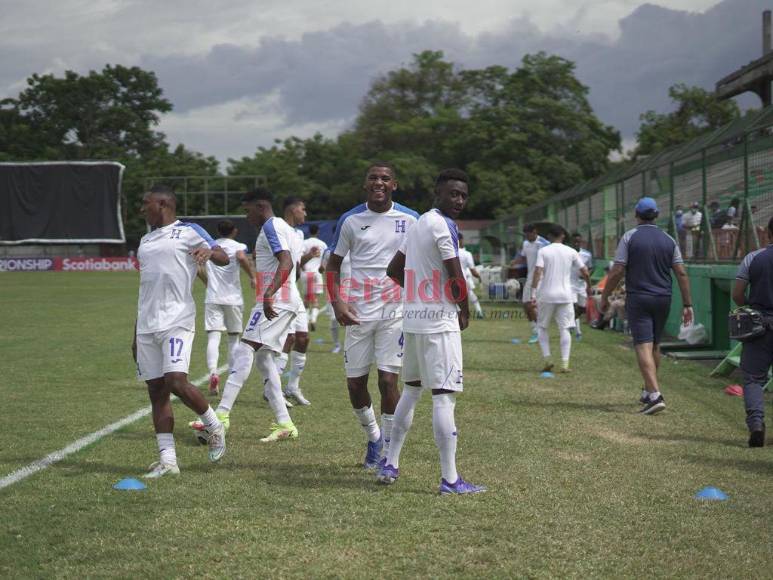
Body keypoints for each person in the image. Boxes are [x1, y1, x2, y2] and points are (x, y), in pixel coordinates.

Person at [380, 168, 485, 495]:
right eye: (453, 194)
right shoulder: (444, 225)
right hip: (439, 323)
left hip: (413, 320)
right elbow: (456, 276)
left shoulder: (418, 223)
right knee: (443, 396)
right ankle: (450, 479)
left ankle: (390, 462)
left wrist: (417, 294)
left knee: (411, 390)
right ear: (437, 193)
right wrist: (463, 311)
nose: (459, 201)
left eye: (464, 196)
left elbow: (393, 269)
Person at [325, 162, 419, 469]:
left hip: (395, 312)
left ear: (395, 184)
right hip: (357, 312)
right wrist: (337, 303)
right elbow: (333, 266)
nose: (379, 182)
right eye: (373, 178)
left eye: (385, 178)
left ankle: (389, 452)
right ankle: (374, 436)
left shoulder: (411, 219)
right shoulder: (351, 220)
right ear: (366, 184)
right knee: (355, 384)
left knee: (388, 380)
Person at [132, 185, 228, 478]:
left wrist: (209, 251)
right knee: (156, 392)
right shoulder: (145, 240)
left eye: (145, 203)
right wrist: (135, 333)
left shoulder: (188, 231)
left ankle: (214, 426)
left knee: (176, 380)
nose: (141, 209)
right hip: (147, 325)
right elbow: (145, 290)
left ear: (162, 204)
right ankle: (168, 460)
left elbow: (224, 256)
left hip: (178, 320)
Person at [191, 188, 302, 442]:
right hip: (285, 298)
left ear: (260, 206)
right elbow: (291, 266)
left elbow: (286, 262)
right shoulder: (283, 227)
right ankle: (285, 423)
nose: (246, 215)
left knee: (244, 349)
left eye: (247, 209)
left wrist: (270, 294)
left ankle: (221, 414)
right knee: (264, 360)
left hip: (277, 299)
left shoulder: (272, 227)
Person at [601, 197, 693, 415]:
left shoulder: (630, 237)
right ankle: (647, 390)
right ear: (657, 215)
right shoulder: (669, 239)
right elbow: (680, 272)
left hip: (639, 297)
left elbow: (617, 271)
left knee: (642, 345)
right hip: (663, 298)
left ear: (636, 214)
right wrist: (688, 303)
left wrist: (605, 296)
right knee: (655, 345)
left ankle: (655, 396)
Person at [197, 219, 255, 395]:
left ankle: (213, 372)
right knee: (233, 338)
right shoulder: (238, 245)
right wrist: (252, 276)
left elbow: (199, 269)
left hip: (213, 297)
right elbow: (241, 256)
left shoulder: (210, 247)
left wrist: (209, 284)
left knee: (213, 337)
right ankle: (231, 376)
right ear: (234, 231)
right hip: (233, 298)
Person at [732, 216, 773, 447]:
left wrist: (750, 307)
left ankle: (756, 424)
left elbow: (737, 294)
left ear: (768, 234)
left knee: (753, 379)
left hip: (760, 326)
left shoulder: (753, 258)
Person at [530, 225, 590, 374]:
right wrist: (589, 285)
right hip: (565, 295)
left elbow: (538, 271)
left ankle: (548, 359)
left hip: (546, 295)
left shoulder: (543, 251)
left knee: (542, 327)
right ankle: (565, 363)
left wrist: (532, 293)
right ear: (563, 236)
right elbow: (585, 271)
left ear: (549, 236)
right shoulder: (571, 251)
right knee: (565, 329)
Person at [276, 197, 312, 406]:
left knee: (303, 338)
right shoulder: (279, 229)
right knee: (287, 339)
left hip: (294, 291)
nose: (305, 214)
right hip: (281, 292)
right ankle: (273, 389)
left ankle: (292, 387)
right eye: (303, 209)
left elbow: (296, 268)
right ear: (293, 209)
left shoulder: (298, 235)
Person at [512, 224, 549, 343]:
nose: (527, 236)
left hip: (541, 279)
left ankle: (539, 332)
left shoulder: (544, 243)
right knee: (525, 305)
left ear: (535, 231)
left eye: (529, 233)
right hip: (530, 278)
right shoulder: (525, 243)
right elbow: (522, 258)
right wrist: (513, 263)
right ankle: (536, 331)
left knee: (531, 305)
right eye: (525, 234)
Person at [320, 244, 350, 354]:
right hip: (334, 289)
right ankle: (337, 344)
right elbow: (322, 268)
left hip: (352, 289)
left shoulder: (354, 248)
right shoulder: (329, 252)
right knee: (333, 319)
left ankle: (349, 345)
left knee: (351, 319)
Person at [301, 224, 328, 331]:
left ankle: (307, 320)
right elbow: (325, 260)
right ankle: (313, 319)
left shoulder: (304, 243)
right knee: (315, 299)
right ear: (318, 232)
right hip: (317, 273)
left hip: (306, 273)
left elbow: (300, 257)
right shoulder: (323, 244)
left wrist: (302, 267)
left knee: (307, 299)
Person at [570, 233, 593, 340]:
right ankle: (578, 331)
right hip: (570, 284)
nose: (576, 243)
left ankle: (571, 322)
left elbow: (590, 268)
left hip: (582, 284)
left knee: (582, 307)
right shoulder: (568, 253)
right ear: (571, 242)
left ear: (581, 242)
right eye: (574, 241)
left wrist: (586, 276)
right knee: (573, 306)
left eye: (578, 241)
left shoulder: (587, 254)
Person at [458, 232, 484, 319]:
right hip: (464, 278)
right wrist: (479, 277)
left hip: (452, 278)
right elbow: (473, 271)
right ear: (461, 240)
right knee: (470, 294)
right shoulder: (467, 254)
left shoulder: (450, 251)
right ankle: (479, 312)